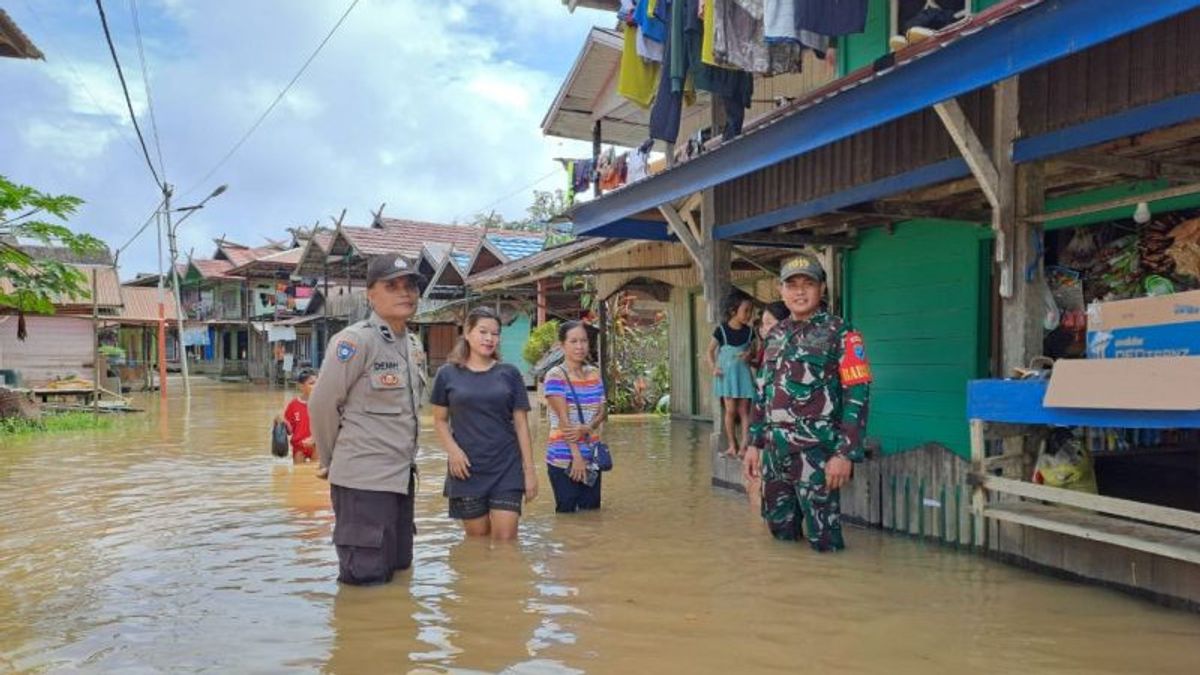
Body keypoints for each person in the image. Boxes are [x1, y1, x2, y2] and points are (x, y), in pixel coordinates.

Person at [309, 253, 427, 586]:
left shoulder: (413, 344)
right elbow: (321, 405)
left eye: (410, 286)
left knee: (400, 572)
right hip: (363, 483)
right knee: (365, 583)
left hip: (400, 480)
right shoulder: (355, 341)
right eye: (392, 286)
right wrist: (333, 460)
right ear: (370, 295)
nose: (405, 293)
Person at [742, 252, 872, 552]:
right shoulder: (775, 335)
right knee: (780, 535)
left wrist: (845, 453)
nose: (800, 291)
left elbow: (858, 394)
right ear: (781, 290)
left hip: (816, 455)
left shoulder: (842, 333)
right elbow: (763, 392)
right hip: (775, 455)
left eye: (808, 284)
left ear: (822, 289)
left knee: (824, 542)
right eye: (792, 284)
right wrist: (754, 443)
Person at [430, 307, 538, 541]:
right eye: (483, 331)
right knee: (477, 542)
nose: (490, 338)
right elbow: (439, 421)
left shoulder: (509, 374)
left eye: (495, 333)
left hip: (506, 467)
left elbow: (521, 425)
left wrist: (529, 472)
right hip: (466, 468)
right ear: (467, 332)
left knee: (506, 541)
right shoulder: (447, 374)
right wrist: (453, 452)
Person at [543, 320, 608, 513]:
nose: (580, 346)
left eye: (583, 341)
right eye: (573, 341)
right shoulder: (555, 375)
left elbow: (603, 410)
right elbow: (564, 420)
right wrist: (576, 456)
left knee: (592, 513)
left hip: (592, 456)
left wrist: (589, 427)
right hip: (564, 457)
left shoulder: (594, 373)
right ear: (562, 345)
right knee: (568, 514)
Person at [706, 291, 756, 457]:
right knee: (730, 411)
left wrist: (749, 354)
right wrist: (714, 367)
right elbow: (710, 351)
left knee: (744, 411)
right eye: (746, 310)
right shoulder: (721, 331)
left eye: (751, 311)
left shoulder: (750, 332)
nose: (749, 315)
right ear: (733, 311)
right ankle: (732, 446)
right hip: (726, 377)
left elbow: (755, 351)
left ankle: (744, 447)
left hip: (742, 375)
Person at [278, 369, 318, 466]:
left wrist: (315, 439)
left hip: (317, 445)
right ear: (301, 386)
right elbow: (290, 430)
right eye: (312, 383)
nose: (316, 386)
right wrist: (281, 421)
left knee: (316, 475)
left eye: (318, 383)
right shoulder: (293, 405)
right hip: (299, 447)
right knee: (299, 474)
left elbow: (329, 427)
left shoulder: (322, 403)